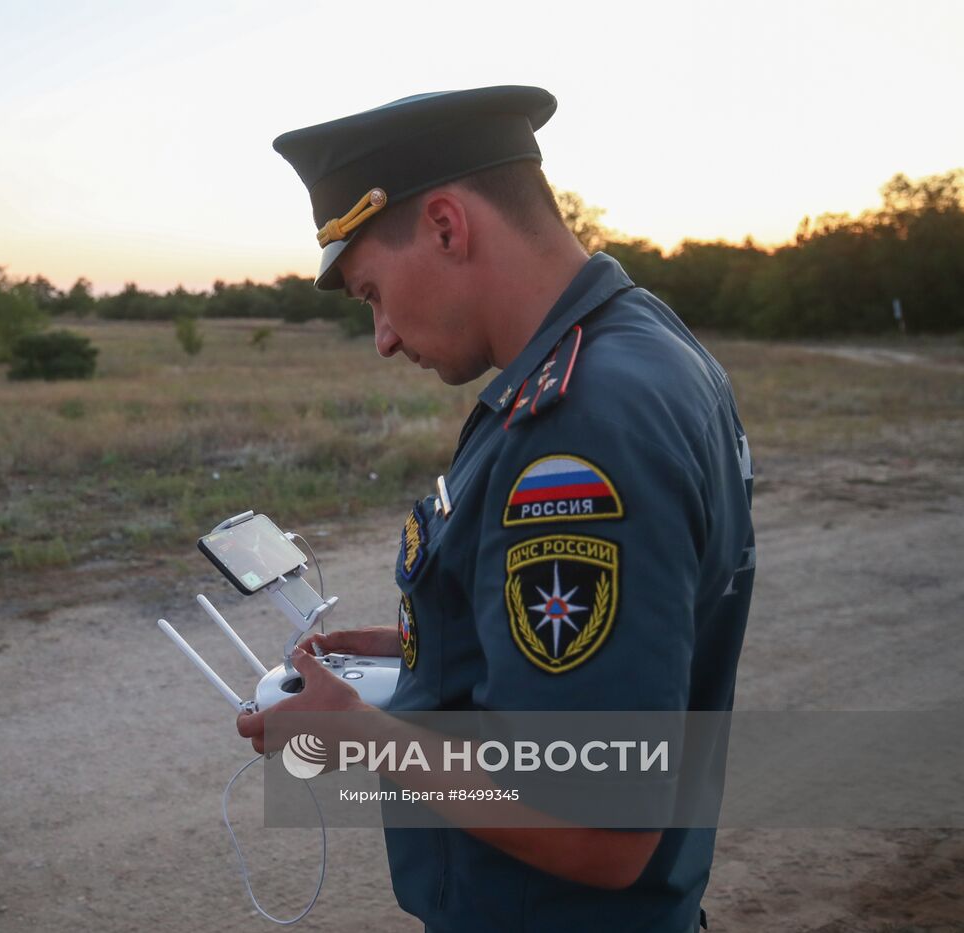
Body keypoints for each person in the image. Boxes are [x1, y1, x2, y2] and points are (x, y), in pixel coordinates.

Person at [236, 85, 756, 931]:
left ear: (446, 224)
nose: (385, 337)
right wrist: (434, 644)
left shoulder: (583, 424)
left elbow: (603, 828)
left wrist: (364, 737)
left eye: (371, 292)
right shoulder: (646, 348)